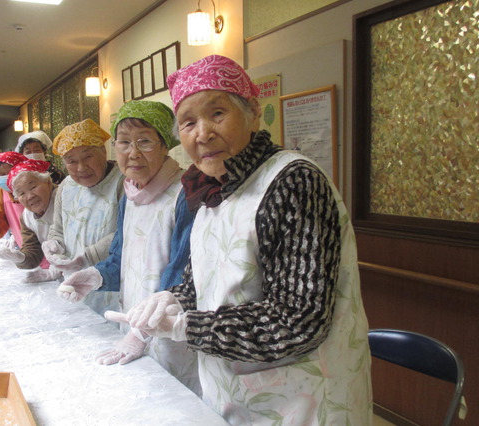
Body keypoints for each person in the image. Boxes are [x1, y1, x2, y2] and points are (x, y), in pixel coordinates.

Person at [106, 55, 372, 425]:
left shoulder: (292, 181)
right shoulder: (212, 187)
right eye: (188, 122)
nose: (202, 133)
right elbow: (203, 281)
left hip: (301, 400)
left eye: (217, 114)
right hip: (232, 393)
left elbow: (299, 319)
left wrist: (188, 326)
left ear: (252, 112)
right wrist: (172, 299)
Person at [57, 102, 200, 395]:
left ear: (165, 145)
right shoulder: (130, 194)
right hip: (132, 324)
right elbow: (120, 255)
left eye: (144, 141)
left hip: (171, 330)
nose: (132, 153)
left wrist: (142, 331)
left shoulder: (184, 193)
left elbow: (182, 274)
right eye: (123, 142)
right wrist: (95, 276)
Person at [32, 119, 124, 311]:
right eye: (71, 161)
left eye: (88, 156)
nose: (81, 168)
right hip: (72, 283)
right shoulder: (66, 186)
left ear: (103, 151)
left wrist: (85, 257)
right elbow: (58, 228)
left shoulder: (122, 182)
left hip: (112, 282)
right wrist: (53, 246)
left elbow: (127, 232)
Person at [0, 159, 56, 271]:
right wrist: (20, 257)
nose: (30, 196)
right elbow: (33, 252)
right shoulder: (26, 217)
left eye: (33, 187)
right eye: (21, 193)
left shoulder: (65, 199)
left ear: (48, 182)